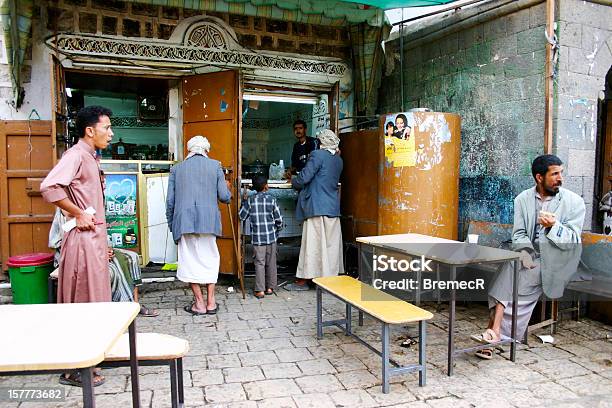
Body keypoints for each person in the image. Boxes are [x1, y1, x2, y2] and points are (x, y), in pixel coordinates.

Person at [473, 154, 585, 359]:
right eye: (555, 174)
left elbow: (573, 240)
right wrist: (525, 252)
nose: (560, 178)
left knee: (510, 271)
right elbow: (519, 234)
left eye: (561, 173)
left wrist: (554, 227)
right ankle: (496, 333)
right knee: (513, 266)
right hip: (531, 256)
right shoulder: (522, 199)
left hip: (558, 259)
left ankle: (493, 330)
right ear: (539, 177)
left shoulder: (574, 202)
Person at [41, 105, 113, 387]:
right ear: (90, 130)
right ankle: (74, 368)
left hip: (93, 240)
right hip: (82, 241)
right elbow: (50, 187)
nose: (110, 133)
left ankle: (90, 361)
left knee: (96, 300)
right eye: (106, 128)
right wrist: (78, 212)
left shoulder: (90, 157)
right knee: (83, 300)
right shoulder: (75, 155)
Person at [49, 208, 158, 316]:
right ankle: (124, 305)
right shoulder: (66, 213)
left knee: (132, 257)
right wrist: (100, 252)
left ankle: (135, 303)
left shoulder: (91, 204)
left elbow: (100, 232)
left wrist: (107, 248)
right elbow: (67, 242)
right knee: (113, 270)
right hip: (77, 256)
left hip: (97, 249)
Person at [166, 136, 232, 315]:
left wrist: (173, 225)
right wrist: (228, 187)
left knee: (188, 262)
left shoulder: (176, 169)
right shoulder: (215, 166)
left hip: (184, 221)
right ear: (206, 150)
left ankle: (199, 303)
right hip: (208, 222)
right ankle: (211, 302)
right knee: (210, 259)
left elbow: (170, 202)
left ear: (189, 150)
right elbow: (224, 197)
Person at [285, 129, 344, 291]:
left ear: (321, 143)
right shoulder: (338, 160)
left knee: (312, 245)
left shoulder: (317, 155)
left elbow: (304, 178)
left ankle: (305, 279)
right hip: (332, 208)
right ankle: (328, 279)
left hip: (316, 206)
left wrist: (293, 180)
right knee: (330, 246)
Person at [239, 174, 283, 298]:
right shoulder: (272, 200)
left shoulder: (251, 201)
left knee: (259, 263)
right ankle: (270, 287)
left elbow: (241, 216)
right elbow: (279, 219)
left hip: (258, 239)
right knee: (271, 262)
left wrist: (243, 201)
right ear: (266, 186)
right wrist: (277, 231)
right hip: (271, 238)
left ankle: (260, 290)